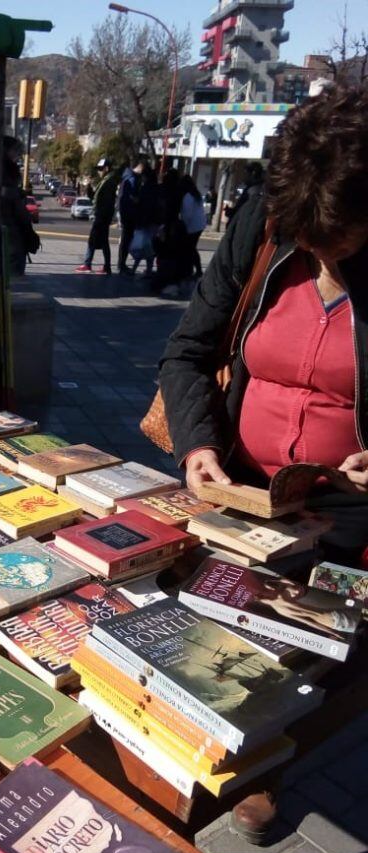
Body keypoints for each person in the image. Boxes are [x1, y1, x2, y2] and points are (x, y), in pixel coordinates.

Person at [160, 84, 368, 567]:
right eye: (306, 235)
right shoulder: (264, 229)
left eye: (338, 239)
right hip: (238, 487)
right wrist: (198, 445)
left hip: (348, 516)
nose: (317, 251)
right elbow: (187, 351)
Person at [0, 135, 36, 279]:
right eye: (16, 152)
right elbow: (20, 215)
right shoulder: (2, 181)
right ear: (5, 153)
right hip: (8, 244)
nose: (18, 157)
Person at [75, 158, 116, 275]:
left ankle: (88, 264)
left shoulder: (109, 182)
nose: (99, 171)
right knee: (102, 241)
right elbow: (95, 197)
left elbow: (105, 201)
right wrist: (88, 188)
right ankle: (105, 266)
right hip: (102, 215)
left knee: (93, 240)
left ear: (106, 168)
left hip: (101, 216)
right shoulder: (105, 181)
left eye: (100, 169)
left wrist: (100, 216)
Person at [130, 164, 160, 277]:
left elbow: (141, 203)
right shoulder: (157, 188)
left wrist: (134, 200)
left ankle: (135, 269)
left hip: (144, 221)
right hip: (154, 222)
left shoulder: (145, 188)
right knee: (149, 249)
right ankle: (148, 269)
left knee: (140, 247)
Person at [117, 160, 144, 274]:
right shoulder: (132, 178)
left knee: (125, 239)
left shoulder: (127, 176)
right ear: (138, 167)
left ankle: (121, 263)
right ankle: (121, 264)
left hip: (125, 212)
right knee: (126, 239)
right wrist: (138, 200)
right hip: (129, 213)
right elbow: (131, 196)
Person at [179, 174, 207, 279]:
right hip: (199, 225)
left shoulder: (187, 197)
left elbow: (187, 215)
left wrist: (183, 227)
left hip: (193, 226)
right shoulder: (195, 194)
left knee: (190, 249)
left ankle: (194, 270)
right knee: (191, 248)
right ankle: (195, 270)